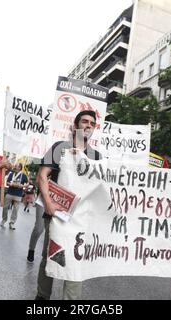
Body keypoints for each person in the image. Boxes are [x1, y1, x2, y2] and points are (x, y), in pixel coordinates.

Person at [35, 110, 102, 300]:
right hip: (56, 215)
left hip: (81, 221)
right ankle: (42, 296)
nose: (88, 125)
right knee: (51, 257)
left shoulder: (97, 156)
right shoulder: (60, 148)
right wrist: (48, 204)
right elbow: (42, 176)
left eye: (92, 123)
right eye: (84, 122)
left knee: (75, 263)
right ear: (75, 126)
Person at [0, 163, 28, 230]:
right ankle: (4, 220)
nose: (15, 167)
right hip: (10, 192)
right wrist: (11, 184)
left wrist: (22, 186)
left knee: (15, 210)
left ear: (20, 168)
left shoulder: (23, 175)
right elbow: (7, 182)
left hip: (18, 194)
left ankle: (12, 223)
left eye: (17, 166)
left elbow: (27, 183)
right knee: (5, 207)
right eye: (15, 166)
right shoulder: (11, 174)